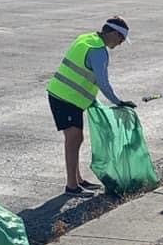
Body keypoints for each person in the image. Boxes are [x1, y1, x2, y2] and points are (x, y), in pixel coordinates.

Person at [47, 16, 136, 195]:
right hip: (65, 98)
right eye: (121, 39)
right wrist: (118, 102)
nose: (120, 44)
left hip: (64, 95)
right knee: (74, 138)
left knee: (76, 139)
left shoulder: (86, 38)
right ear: (113, 33)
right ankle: (71, 185)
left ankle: (77, 179)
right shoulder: (98, 51)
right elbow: (103, 82)